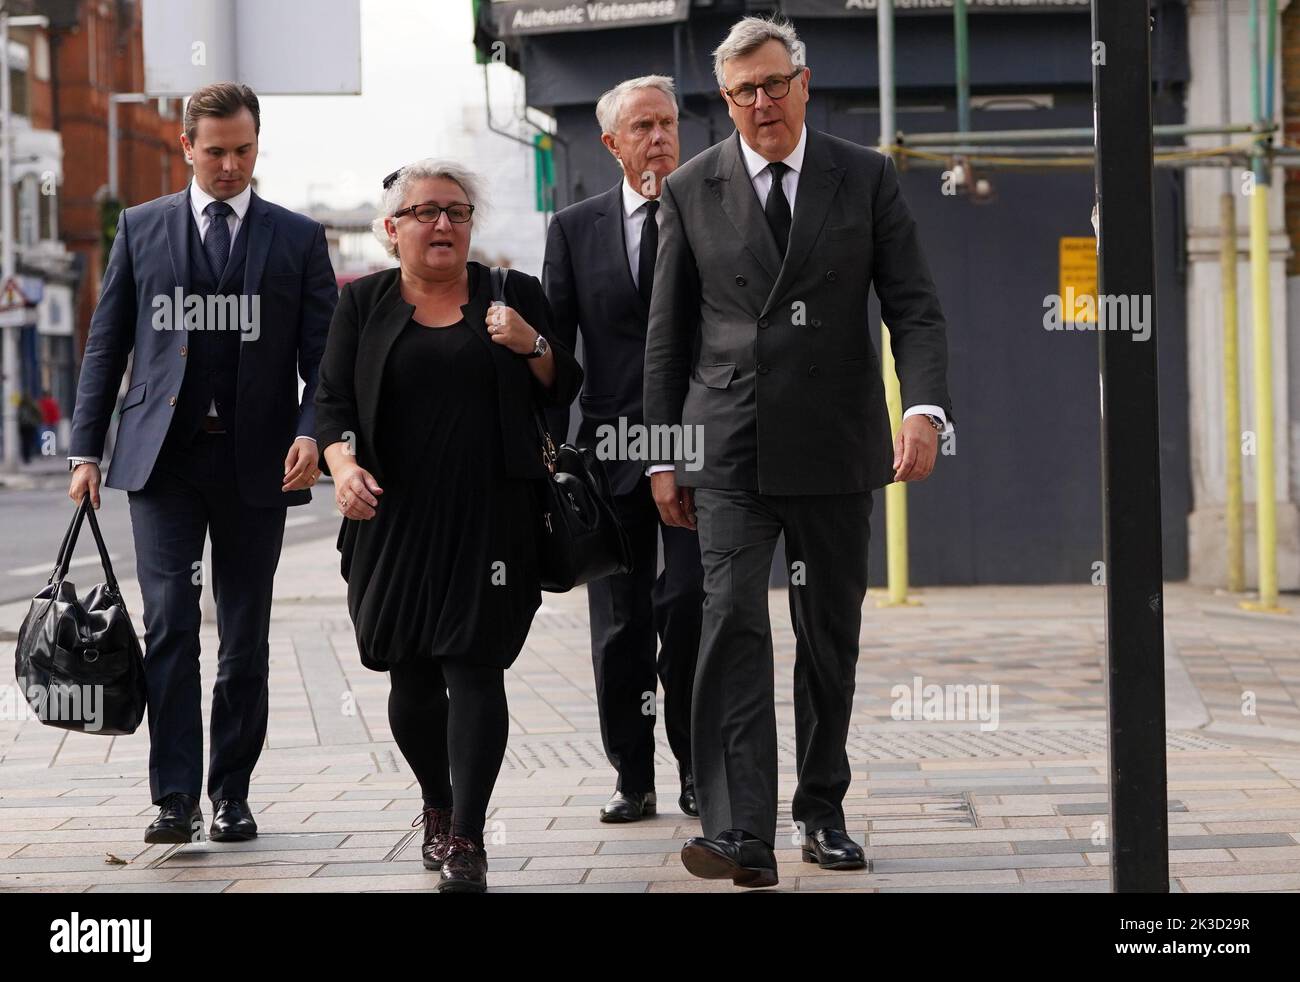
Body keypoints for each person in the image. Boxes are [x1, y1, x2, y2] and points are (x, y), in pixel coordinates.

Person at [643, 16, 955, 888]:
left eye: (775, 83)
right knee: (732, 624)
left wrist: (923, 408)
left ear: (804, 83)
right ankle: (743, 832)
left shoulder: (864, 177)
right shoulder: (690, 188)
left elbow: (914, 306)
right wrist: (663, 454)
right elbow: (668, 339)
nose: (762, 102)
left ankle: (822, 809)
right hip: (730, 449)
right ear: (727, 100)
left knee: (827, 638)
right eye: (743, 90)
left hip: (833, 444)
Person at [68, 82, 336, 845]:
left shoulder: (296, 238)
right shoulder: (141, 227)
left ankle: (233, 793)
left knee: (245, 636)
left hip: (259, 464)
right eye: (215, 151)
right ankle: (175, 796)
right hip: (164, 464)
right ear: (187, 146)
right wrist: (86, 448)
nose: (230, 165)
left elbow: (324, 361)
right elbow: (106, 343)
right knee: (172, 628)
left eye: (243, 150)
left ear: (257, 145)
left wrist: (312, 433)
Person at [315, 160, 581, 894]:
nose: (442, 225)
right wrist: (340, 467)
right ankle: (435, 799)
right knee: (407, 667)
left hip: (491, 515)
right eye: (426, 212)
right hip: (391, 514)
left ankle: (467, 835)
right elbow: (331, 404)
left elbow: (566, 387)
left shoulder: (510, 294)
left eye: (457, 212)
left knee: (474, 665)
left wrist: (531, 343)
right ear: (392, 228)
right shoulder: (363, 303)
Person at [543, 75, 704, 824]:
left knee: (694, 610)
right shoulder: (574, 229)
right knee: (620, 625)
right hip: (609, 455)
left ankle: (699, 773)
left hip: (701, 448)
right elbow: (559, 354)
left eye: (667, 123)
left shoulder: (714, 209)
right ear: (611, 144)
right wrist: (546, 447)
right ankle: (631, 777)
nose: (659, 139)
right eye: (642, 127)